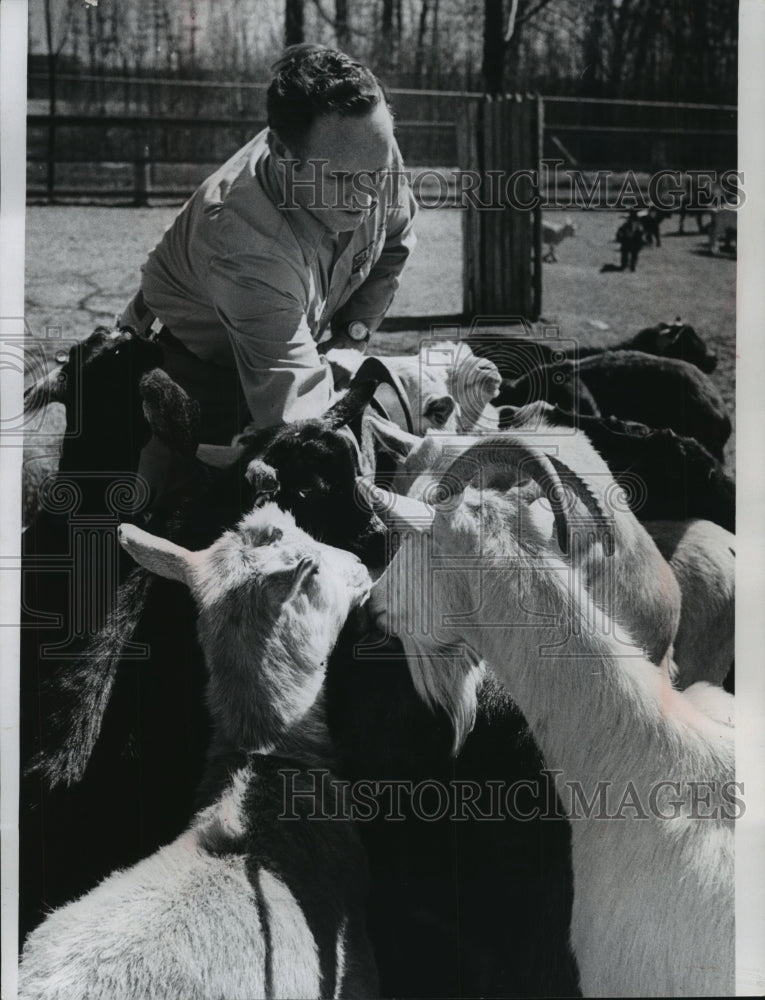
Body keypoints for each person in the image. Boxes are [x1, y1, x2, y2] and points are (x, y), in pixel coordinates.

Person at [120, 43, 417, 451]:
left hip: (285, 345)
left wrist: (353, 332)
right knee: (176, 506)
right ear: (282, 152)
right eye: (343, 179)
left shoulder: (367, 148)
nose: (367, 195)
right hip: (189, 369)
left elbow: (396, 240)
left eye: (377, 174)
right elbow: (302, 422)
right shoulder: (244, 239)